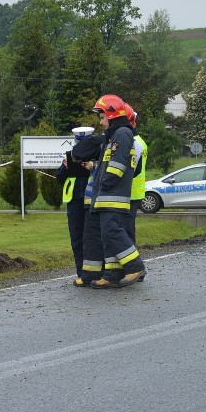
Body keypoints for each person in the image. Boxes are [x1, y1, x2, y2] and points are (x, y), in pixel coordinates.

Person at [86, 94, 147, 289]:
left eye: (102, 117)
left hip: (112, 195)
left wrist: (104, 182)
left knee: (112, 231)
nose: (101, 122)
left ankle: (135, 266)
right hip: (109, 196)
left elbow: (117, 166)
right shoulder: (118, 134)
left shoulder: (121, 133)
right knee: (107, 234)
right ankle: (112, 274)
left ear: (112, 115)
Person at [55, 127, 95, 286]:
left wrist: (93, 167)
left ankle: (95, 272)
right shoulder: (71, 156)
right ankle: (82, 273)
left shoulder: (97, 156)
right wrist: (65, 167)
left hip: (91, 200)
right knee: (77, 239)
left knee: (91, 238)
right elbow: (58, 178)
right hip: (74, 202)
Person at [124, 104, 147, 246]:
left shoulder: (132, 142)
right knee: (129, 226)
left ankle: (131, 257)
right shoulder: (141, 142)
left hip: (129, 190)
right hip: (136, 191)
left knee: (127, 229)